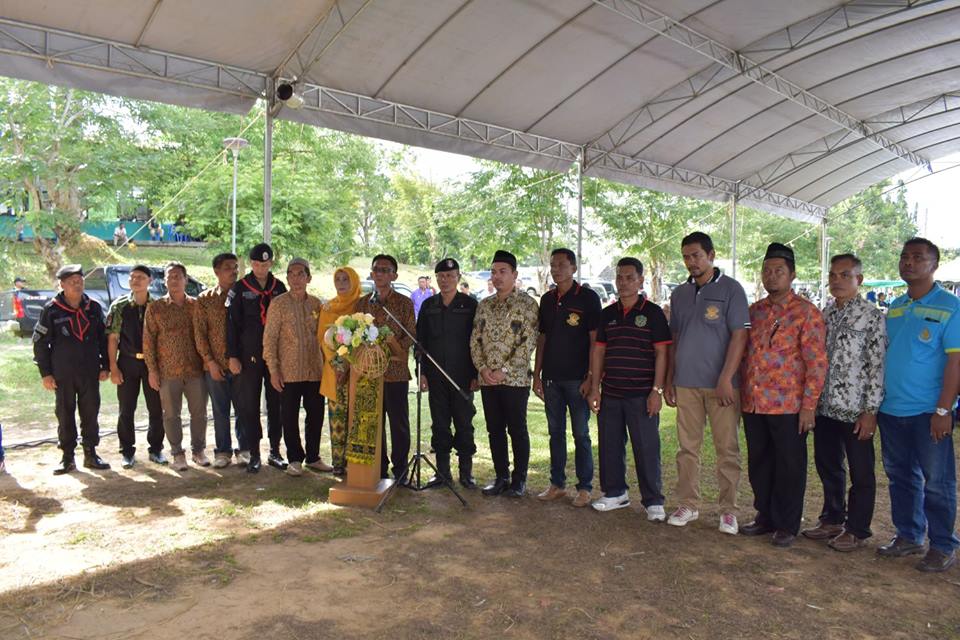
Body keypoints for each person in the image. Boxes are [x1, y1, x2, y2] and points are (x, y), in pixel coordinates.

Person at [876, 238, 959, 572]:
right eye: (904, 257)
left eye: (918, 257)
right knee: (900, 477)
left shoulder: (950, 306)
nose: (909, 262)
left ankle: (942, 545)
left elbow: (956, 362)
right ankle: (909, 535)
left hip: (929, 412)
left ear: (934, 264)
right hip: (891, 409)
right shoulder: (896, 307)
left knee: (937, 482)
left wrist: (944, 410)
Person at [739, 243, 827, 547]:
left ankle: (787, 524)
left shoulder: (806, 313)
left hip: (789, 405)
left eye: (778, 271)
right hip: (754, 403)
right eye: (767, 270)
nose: (771, 275)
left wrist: (809, 406)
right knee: (759, 463)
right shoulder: (754, 311)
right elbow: (744, 354)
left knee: (789, 466)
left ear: (792, 275)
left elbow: (817, 363)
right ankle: (765, 516)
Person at [663, 232, 749, 534]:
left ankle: (728, 511)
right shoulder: (679, 294)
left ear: (711, 255)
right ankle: (688, 504)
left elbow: (740, 336)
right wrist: (670, 379)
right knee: (687, 449)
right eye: (686, 257)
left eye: (696, 255)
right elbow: (674, 339)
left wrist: (725, 378)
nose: (691, 262)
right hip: (686, 384)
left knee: (727, 450)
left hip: (722, 386)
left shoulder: (732, 289)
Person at [801, 254, 886, 552]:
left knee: (861, 472)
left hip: (856, 410)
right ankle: (833, 519)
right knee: (828, 465)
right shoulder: (824, 314)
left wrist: (870, 411)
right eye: (833, 275)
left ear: (858, 280)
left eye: (845, 275)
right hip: (825, 407)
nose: (837, 280)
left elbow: (877, 366)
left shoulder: (871, 316)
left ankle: (857, 529)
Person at [588, 258, 670, 521]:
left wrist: (656, 391)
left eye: (629, 278)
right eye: (619, 278)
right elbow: (599, 352)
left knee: (646, 449)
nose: (623, 283)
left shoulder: (653, 313)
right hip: (611, 393)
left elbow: (662, 353)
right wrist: (595, 388)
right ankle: (615, 493)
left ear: (640, 281)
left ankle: (653, 501)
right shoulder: (607, 314)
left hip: (642, 395)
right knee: (610, 446)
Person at [532, 248, 601, 508]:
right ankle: (557, 484)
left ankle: (584, 488)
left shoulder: (588, 298)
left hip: (578, 380)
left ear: (573, 268)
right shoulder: (547, 299)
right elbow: (542, 338)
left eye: (561, 264)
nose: (556, 269)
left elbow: (595, 342)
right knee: (555, 433)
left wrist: (591, 377)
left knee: (581, 434)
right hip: (551, 379)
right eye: (553, 265)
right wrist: (537, 375)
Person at [471, 250, 539, 498]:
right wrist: (483, 368)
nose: (497, 276)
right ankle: (501, 477)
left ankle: (519, 480)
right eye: (493, 272)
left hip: (515, 379)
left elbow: (528, 342)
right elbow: (475, 341)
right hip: (488, 379)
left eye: (502, 272)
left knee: (517, 430)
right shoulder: (484, 305)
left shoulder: (528, 304)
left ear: (514, 274)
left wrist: (505, 370)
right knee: (495, 430)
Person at [33, 264, 110, 475]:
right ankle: (67, 457)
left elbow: (103, 339)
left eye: (80, 281)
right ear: (62, 285)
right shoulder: (51, 310)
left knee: (90, 411)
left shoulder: (93, 308)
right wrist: (46, 373)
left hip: (89, 371)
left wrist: (105, 365)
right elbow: (40, 343)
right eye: (72, 282)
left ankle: (90, 453)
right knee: (65, 413)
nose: (77, 285)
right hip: (63, 372)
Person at [263, 258, 329, 477]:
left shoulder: (317, 304)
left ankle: (313, 457)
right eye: (291, 273)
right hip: (288, 371)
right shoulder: (278, 304)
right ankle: (294, 459)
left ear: (308, 278)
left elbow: (325, 337)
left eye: (301, 274)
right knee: (289, 417)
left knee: (316, 414)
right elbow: (270, 339)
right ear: (287, 278)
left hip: (314, 370)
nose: (296, 278)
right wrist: (274, 370)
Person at [417, 258, 479, 488]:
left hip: (462, 377)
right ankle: (442, 473)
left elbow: (477, 342)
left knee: (464, 423)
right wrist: (421, 372)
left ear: (458, 278)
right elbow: (420, 342)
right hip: (435, 376)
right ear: (436, 278)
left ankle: (466, 473)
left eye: (450, 276)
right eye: (441, 276)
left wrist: (476, 374)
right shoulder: (428, 306)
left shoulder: (470, 305)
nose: (445, 280)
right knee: (440, 424)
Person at [227, 243, 288, 473]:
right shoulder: (239, 288)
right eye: (256, 264)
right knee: (249, 405)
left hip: (275, 358)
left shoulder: (279, 287)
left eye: (265, 264)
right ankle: (254, 453)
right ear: (251, 264)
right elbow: (231, 325)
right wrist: (232, 356)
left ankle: (275, 451)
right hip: (248, 356)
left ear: (271, 263)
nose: (261, 268)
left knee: (276, 404)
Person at [356, 255, 416, 481]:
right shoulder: (362, 304)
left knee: (398, 424)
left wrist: (393, 347)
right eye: (376, 269)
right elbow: (355, 334)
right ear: (371, 274)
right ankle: (378, 468)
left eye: (385, 270)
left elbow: (410, 335)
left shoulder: (404, 303)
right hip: (369, 373)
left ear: (394, 276)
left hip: (395, 373)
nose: (379, 273)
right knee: (373, 422)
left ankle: (400, 469)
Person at [144, 262, 207, 472]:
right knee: (171, 415)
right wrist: (152, 371)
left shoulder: (196, 306)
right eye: (170, 277)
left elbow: (204, 336)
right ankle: (177, 453)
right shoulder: (155, 308)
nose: (174, 280)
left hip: (195, 370)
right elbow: (148, 342)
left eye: (178, 276)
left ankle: (198, 451)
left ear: (186, 280)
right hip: (168, 372)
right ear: (164, 281)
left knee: (199, 413)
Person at [106, 264, 166, 468]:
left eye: (140, 277)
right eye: (132, 277)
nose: (135, 281)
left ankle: (156, 449)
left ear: (150, 281)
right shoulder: (120, 306)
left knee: (156, 408)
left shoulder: (157, 306)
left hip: (152, 364)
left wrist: (158, 368)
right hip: (127, 361)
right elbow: (112, 339)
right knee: (126, 409)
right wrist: (113, 367)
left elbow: (163, 338)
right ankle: (127, 451)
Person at [194, 253, 245, 468]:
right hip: (214, 366)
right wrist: (210, 363)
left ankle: (244, 450)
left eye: (235, 267)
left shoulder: (245, 295)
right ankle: (223, 451)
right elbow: (200, 334)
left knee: (243, 409)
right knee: (220, 410)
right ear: (216, 271)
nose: (233, 271)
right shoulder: (205, 299)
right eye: (227, 268)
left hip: (241, 365)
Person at [318, 267, 361, 476]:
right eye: (338, 279)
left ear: (354, 281)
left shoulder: (361, 306)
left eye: (346, 279)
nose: (341, 283)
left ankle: (357, 463)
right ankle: (338, 463)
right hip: (334, 371)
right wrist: (338, 364)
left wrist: (348, 363)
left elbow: (363, 339)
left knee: (356, 416)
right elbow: (322, 339)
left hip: (357, 371)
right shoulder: (328, 307)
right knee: (337, 418)